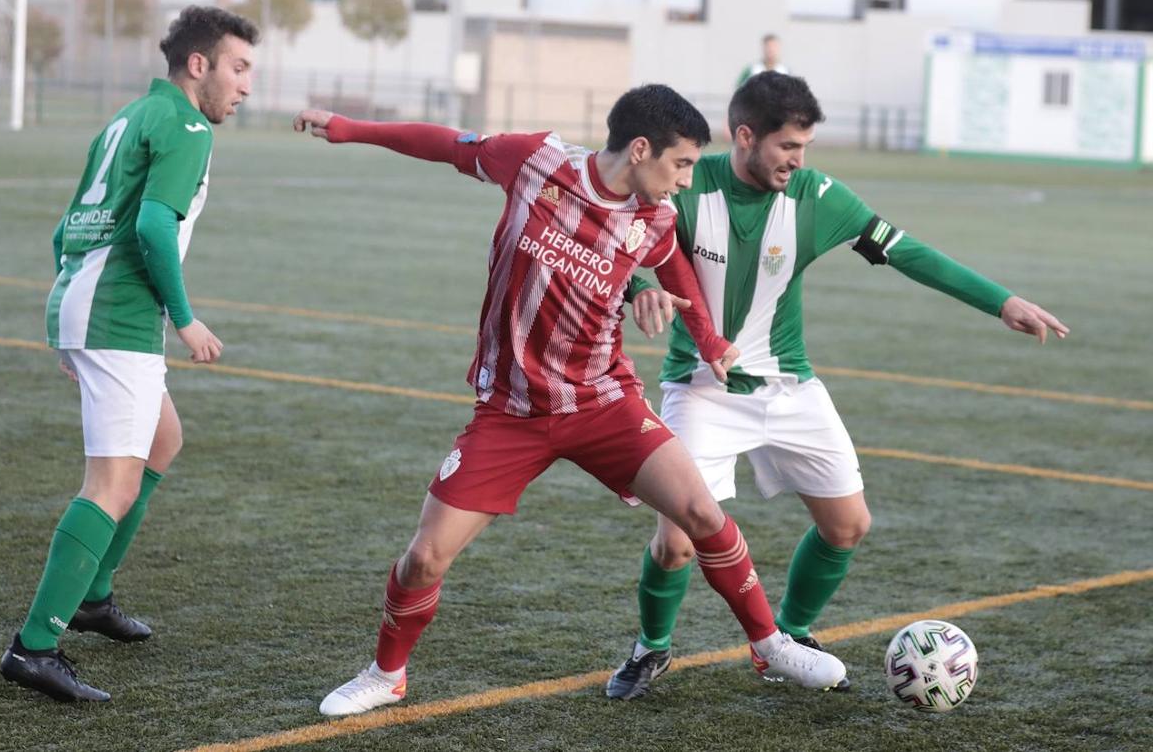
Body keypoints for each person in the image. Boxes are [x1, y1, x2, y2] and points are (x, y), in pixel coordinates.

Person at [293, 84, 849, 718]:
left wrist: (710, 341)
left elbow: (677, 280)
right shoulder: (536, 162)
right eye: (682, 164)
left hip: (602, 402)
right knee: (424, 557)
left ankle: (769, 642)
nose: (687, 181)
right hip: (511, 411)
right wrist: (347, 126)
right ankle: (385, 674)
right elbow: (445, 144)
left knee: (699, 510)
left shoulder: (655, 220)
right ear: (641, 149)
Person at [604, 71, 1068, 700]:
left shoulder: (819, 198)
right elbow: (623, 243)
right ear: (745, 136)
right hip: (702, 389)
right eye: (788, 147)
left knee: (848, 525)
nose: (798, 161)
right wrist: (642, 288)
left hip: (790, 387)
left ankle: (786, 640)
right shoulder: (687, 182)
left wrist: (1000, 301)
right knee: (675, 544)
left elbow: (908, 253)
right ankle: (651, 649)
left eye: (805, 149)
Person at [0, 6, 258, 703]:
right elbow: (150, 225)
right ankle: (35, 645)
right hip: (120, 315)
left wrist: (66, 315)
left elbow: (67, 225)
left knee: (163, 441)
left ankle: (92, 598)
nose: (246, 87)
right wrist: (186, 319)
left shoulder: (126, 118)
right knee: (110, 487)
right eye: (239, 68)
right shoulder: (187, 125)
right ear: (197, 65)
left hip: (88, 303)